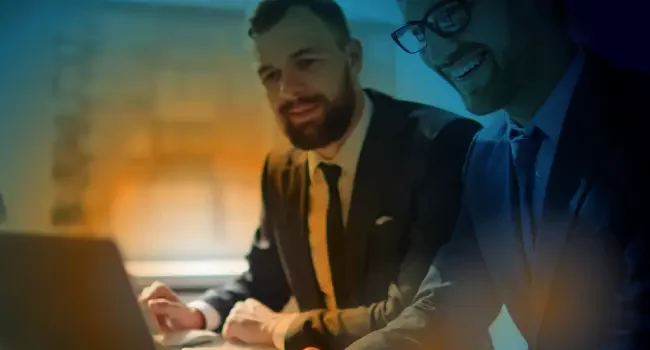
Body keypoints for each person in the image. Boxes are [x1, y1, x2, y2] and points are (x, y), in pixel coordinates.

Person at [139, 0, 482, 349]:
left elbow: (414, 314)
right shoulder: (280, 170)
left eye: (306, 62)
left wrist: (284, 328)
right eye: (271, 75)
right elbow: (264, 280)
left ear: (353, 58)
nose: (288, 89)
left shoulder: (440, 145)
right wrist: (199, 314)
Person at [347, 0, 650, 349]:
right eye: (419, 32)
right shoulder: (485, 153)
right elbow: (451, 300)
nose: (437, 53)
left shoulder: (638, 121)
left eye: (449, 13)